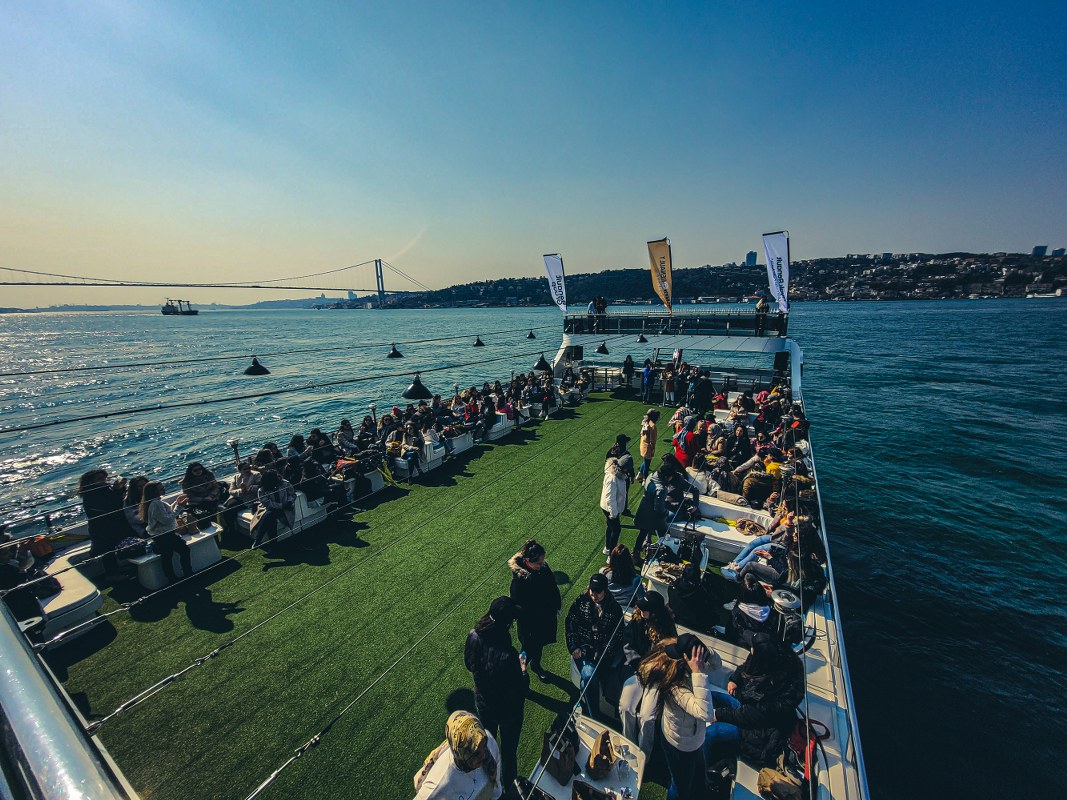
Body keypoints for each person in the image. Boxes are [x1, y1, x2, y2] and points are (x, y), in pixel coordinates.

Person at [705, 633, 805, 770]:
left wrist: (719, 714)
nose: (750, 649)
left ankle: (696, 765)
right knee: (712, 696)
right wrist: (735, 679)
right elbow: (746, 667)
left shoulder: (777, 692)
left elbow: (752, 716)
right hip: (746, 710)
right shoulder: (769, 656)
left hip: (758, 734)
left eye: (753, 648)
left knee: (712, 734)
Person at [637, 634, 718, 800]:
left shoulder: (695, 668)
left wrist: (707, 653)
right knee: (680, 784)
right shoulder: (675, 686)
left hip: (694, 739)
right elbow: (706, 713)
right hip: (679, 743)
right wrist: (697, 672)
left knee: (694, 771)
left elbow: (717, 665)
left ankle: (700, 788)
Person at [463, 597, 527, 788]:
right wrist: (523, 669)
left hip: (484, 705)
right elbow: (520, 688)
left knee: (487, 749)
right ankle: (509, 787)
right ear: (506, 624)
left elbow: (468, 665)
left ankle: (490, 785)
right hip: (509, 713)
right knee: (508, 753)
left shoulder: (473, 635)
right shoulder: (508, 655)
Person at [565, 573, 624, 719]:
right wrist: (574, 647)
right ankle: (595, 717)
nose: (594, 594)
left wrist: (603, 652)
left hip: (603, 655)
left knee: (588, 680)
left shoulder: (614, 609)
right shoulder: (581, 600)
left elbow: (618, 636)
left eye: (598, 591)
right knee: (589, 675)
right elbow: (570, 622)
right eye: (592, 590)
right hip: (583, 650)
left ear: (605, 590)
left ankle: (589, 712)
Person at [413, 710, 502, 800]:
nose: (484, 755)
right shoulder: (436, 785)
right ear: (459, 752)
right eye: (476, 754)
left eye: (484, 746)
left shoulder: (489, 741)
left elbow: (496, 787)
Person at [508, 539, 561, 681]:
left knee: (539, 646)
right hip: (530, 625)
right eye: (538, 563)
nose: (542, 565)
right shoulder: (518, 582)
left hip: (544, 618)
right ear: (527, 561)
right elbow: (518, 607)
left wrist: (556, 605)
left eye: (543, 561)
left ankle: (536, 666)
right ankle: (519, 673)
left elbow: (552, 585)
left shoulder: (542, 568)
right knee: (527, 649)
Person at [78, 468, 135, 580]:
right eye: (99, 479)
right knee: (107, 551)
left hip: (114, 525)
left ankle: (117, 569)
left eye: (104, 478)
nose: (104, 481)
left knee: (113, 548)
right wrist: (117, 490)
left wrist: (121, 487)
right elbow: (112, 505)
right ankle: (112, 574)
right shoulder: (89, 495)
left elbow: (117, 500)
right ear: (90, 482)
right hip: (101, 528)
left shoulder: (105, 489)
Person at [140, 481, 193, 582]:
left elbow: (166, 512)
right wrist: (179, 506)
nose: (164, 489)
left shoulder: (155, 503)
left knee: (167, 556)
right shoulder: (156, 504)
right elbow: (166, 520)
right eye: (160, 488)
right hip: (164, 535)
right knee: (182, 551)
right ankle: (186, 573)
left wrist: (176, 503)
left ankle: (172, 578)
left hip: (161, 535)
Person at [621, 590, 677, 676]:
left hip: (654, 666)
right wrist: (636, 661)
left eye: (645, 609)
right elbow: (628, 641)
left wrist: (649, 666)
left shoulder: (666, 627)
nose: (641, 611)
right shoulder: (637, 619)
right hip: (634, 662)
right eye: (641, 608)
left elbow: (667, 651)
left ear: (654, 612)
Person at [250, 469, 296, 548]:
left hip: (285, 508)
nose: (278, 477)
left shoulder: (285, 483)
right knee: (271, 518)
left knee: (270, 516)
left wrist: (289, 502)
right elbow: (268, 504)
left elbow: (292, 494)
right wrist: (282, 505)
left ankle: (258, 540)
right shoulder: (262, 490)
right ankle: (273, 546)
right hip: (270, 509)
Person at [728, 573, 774, 647]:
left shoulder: (738, 611)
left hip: (740, 642)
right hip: (758, 640)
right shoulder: (769, 608)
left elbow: (732, 630)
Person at [600, 544, 644, 609]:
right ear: (629, 560)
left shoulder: (603, 572)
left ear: (612, 559)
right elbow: (642, 599)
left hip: (607, 607)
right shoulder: (635, 579)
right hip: (626, 609)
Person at [223, 462, 260, 535]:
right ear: (240, 471)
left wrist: (251, 488)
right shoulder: (236, 477)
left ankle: (232, 530)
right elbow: (231, 491)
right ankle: (231, 527)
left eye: (249, 468)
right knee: (226, 509)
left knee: (229, 509)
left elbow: (261, 486)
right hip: (239, 497)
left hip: (250, 498)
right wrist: (241, 490)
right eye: (245, 469)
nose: (248, 470)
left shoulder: (256, 474)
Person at [600, 457, 627, 555]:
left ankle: (608, 548)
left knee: (610, 527)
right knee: (616, 530)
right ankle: (611, 554)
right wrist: (614, 513)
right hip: (610, 508)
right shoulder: (613, 478)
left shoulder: (616, 474)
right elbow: (610, 498)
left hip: (609, 507)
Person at [638, 409, 660, 482]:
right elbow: (652, 441)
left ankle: (640, 474)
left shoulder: (646, 422)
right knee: (647, 464)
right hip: (648, 447)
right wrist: (653, 449)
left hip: (643, 444)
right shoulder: (653, 426)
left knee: (645, 461)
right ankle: (645, 479)